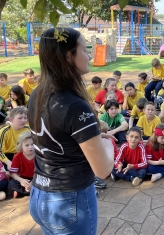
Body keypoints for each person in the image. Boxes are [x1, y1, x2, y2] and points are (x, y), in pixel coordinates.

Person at [28, 28, 114, 235]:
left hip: (40, 195)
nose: (89, 55)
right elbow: (103, 170)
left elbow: (59, 138)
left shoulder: (37, 94)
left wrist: (91, 139)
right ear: (68, 55)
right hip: (68, 202)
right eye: (84, 50)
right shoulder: (74, 105)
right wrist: (107, 144)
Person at [9, 132, 34, 198]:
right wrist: (21, 180)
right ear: (21, 146)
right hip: (23, 179)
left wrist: (33, 182)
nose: (30, 147)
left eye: (32, 144)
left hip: (37, 178)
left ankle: (22, 192)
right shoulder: (17, 156)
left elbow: (42, 172)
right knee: (11, 184)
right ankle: (30, 191)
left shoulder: (39, 155)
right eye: (27, 145)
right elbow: (13, 173)